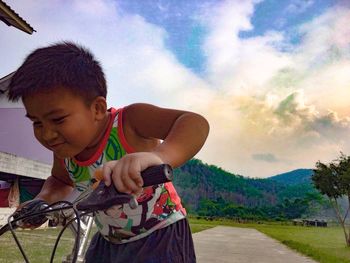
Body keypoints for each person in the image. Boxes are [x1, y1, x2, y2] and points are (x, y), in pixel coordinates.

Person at [7, 42, 209, 263]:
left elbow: (193, 123)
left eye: (58, 120)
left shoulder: (129, 122)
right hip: (108, 240)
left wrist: (159, 156)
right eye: (37, 123)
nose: (47, 134)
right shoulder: (66, 152)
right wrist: (42, 201)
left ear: (97, 109)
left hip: (160, 234)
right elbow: (59, 181)